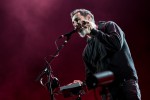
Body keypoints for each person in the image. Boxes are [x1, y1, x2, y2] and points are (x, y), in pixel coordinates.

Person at [70, 9, 141, 100]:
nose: (75, 25)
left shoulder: (109, 26)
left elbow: (116, 44)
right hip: (107, 94)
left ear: (88, 17)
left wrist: (93, 31)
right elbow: (92, 78)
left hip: (125, 87)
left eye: (77, 20)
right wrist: (81, 85)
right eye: (73, 23)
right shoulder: (86, 52)